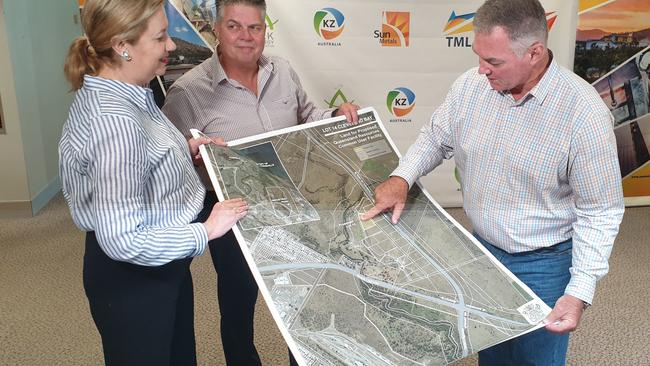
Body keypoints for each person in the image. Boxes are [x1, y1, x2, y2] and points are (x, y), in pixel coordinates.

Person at [361, 0, 624, 365]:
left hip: (544, 264)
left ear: (534, 53)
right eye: (479, 57)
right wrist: (401, 177)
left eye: (494, 62)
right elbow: (436, 137)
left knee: (535, 360)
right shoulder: (471, 86)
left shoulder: (583, 114)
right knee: (492, 354)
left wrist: (578, 292)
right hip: (482, 252)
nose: (481, 70)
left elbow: (600, 212)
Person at [162, 1, 358, 364]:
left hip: (292, 203)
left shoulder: (281, 70)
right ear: (216, 29)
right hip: (234, 215)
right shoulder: (188, 92)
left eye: (254, 28)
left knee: (302, 296)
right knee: (239, 302)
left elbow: (307, 116)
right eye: (235, 26)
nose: (246, 37)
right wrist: (192, 158)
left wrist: (333, 115)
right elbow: (170, 165)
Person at [59, 1, 248, 365]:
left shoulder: (125, 91)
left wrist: (184, 150)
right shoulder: (116, 121)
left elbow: (135, 161)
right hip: (135, 278)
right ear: (122, 46)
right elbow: (122, 238)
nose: (172, 46)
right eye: (161, 37)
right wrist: (207, 230)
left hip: (161, 261)